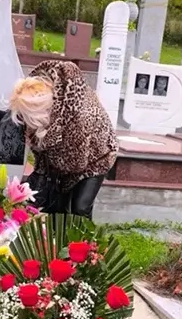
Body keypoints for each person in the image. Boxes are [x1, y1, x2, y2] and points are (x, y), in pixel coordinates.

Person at [8, 60, 118, 219]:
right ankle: (57, 230)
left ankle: (83, 234)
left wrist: (48, 149)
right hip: (64, 157)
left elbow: (77, 164)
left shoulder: (79, 118)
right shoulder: (44, 105)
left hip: (97, 157)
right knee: (56, 206)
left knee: (80, 207)